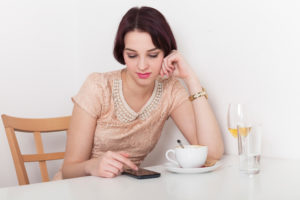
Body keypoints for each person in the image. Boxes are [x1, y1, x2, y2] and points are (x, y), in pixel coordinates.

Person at [61, 6, 224, 179]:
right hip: (81, 188)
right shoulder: (98, 87)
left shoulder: (170, 89)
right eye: (132, 55)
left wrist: (190, 78)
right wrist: (92, 166)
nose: (142, 66)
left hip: (126, 190)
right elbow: (68, 171)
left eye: (152, 55)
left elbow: (212, 154)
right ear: (122, 53)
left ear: (166, 54)